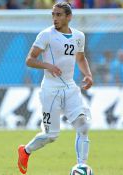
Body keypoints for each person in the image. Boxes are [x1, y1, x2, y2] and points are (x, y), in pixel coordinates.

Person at [17, 2, 93, 174]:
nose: (55, 18)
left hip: (70, 87)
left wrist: (88, 75)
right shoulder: (46, 35)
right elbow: (29, 59)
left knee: (83, 125)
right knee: (51, 135)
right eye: (53, 14)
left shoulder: (79, 36)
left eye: (59, 15)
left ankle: (81, 166)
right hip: (51, 89)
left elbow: (80, 58)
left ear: (69, 17)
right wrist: (48, 66)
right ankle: (25, 151)